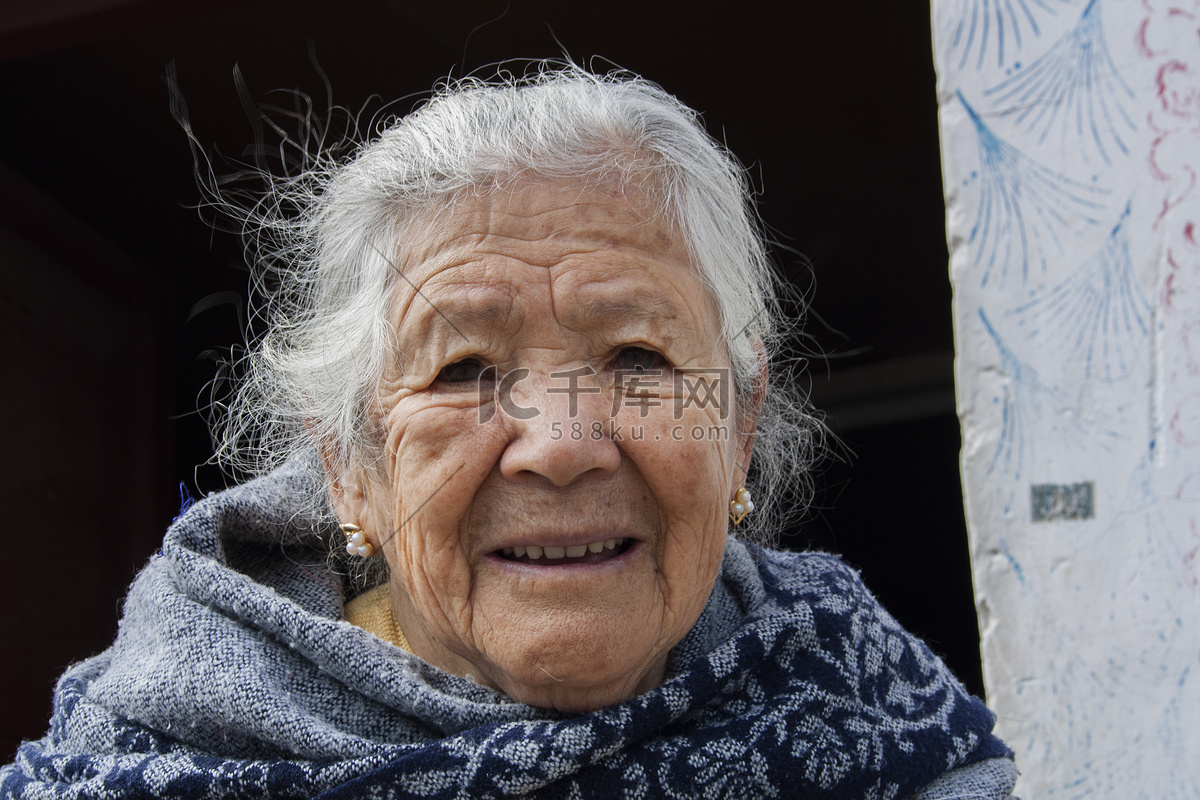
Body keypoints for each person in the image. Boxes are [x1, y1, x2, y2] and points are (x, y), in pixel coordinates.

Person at [1, 63, 1016, 799]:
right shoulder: (145, 762)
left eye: (638, 358)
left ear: (737, 428)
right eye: (466, 369)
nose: (562, 443)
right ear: (350, 467)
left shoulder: (871, 706)